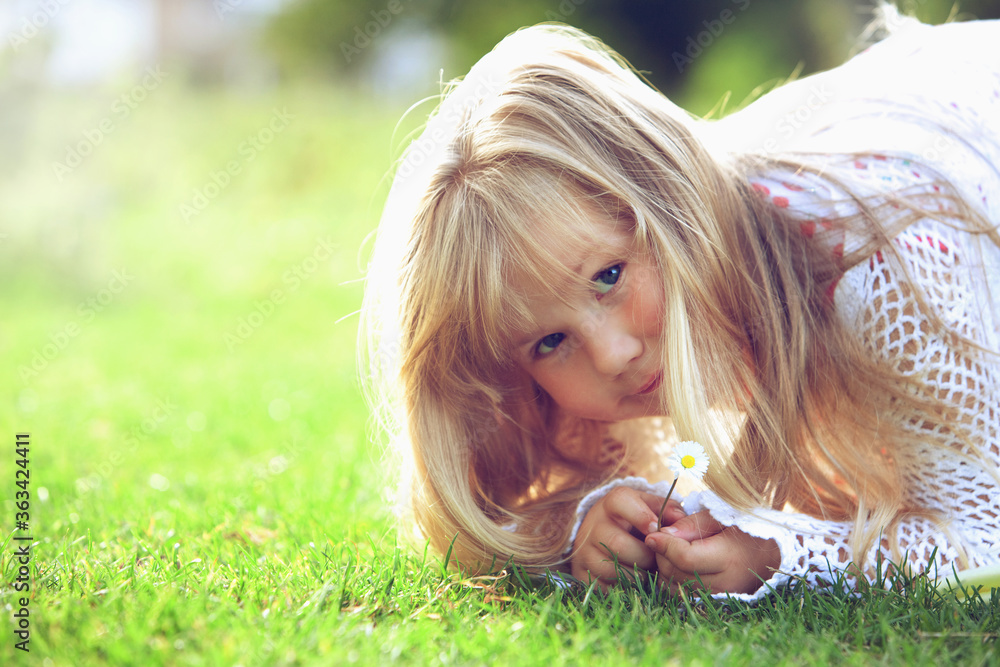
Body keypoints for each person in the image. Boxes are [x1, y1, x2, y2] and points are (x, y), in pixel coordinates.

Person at [360, 9, 1000, 601]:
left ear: (674, 204)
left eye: (609, 275)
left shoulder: (881, 271)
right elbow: (530, 499)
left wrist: (783, 554)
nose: (611, 354)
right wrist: (596, 518)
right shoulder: (670, 300)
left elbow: (983, 534)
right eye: (548, 343)